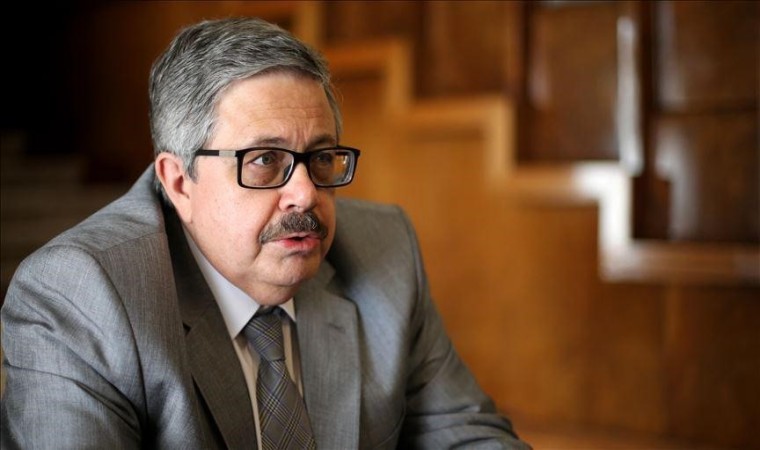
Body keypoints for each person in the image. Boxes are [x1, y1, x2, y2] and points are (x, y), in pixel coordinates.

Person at [1, 17, 530, 449]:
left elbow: (469, 437)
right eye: (264, 160)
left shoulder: (383, 248)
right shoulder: (82, 294)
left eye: (320, 157)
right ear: (179, 182)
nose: (305, 193)